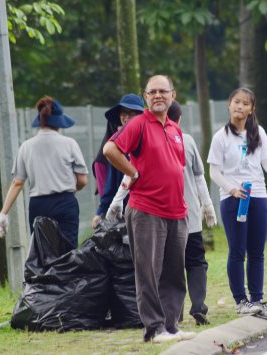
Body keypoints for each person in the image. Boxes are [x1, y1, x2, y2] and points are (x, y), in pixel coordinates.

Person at [103, 75, 195, 343]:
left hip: (176, 212)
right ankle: (154, 329)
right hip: (147, 210)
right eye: (152, 92)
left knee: (175, 273)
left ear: (172, 96)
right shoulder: (138, 124)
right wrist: (133, 172)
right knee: (149, 272)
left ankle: (172, 326)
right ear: (145, 97)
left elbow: (176, 168)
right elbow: (111, 149)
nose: (158, 95)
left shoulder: (175, 130)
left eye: (163, 91)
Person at [207, 87, 267, 321]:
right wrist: (231, 189)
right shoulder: (220, 136)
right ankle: (241, 301)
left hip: (259, 196)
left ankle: (257, 299)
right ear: (229, 105)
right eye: (236, 102)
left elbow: (266, 162)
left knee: (257, 252)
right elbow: (214, 171)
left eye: (245, 103)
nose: (240, 107)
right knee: (237, 251)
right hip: (233, 199)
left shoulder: (258, 132)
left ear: (252, 109)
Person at [0, 96, 88, 250]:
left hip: (39, 206)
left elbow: (17, 183)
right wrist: (70, 187)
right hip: (65, 202)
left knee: (42, 252)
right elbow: (82, 181)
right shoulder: (69, 144)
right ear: (59, 122)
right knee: (67, 253)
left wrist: (3, 214)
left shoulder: (26, 147)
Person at [166, 101, 217, 326]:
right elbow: (199, 177)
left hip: (163, 218)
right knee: (195, 263)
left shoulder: (151, 140)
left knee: (170, 265)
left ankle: (173, 312)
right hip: (191, 217)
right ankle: (198, 306)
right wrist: (207, 206)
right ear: (179, 118)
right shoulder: (187, 140)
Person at [91, 94, 144, 229]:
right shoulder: (116, 150)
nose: (127, 117)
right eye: (124, 113)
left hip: (151, 208)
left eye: (133, 113)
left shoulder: (151, 139)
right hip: (125, 212)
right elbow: (109, 185)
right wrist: (101, 211)